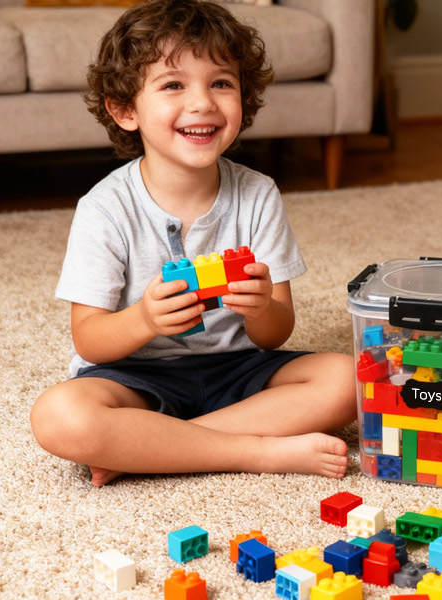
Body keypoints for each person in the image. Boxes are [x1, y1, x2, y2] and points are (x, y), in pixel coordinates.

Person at [30, 0, 357, 487]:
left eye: (221, 83)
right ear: (124, 110)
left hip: (240, 369)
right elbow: (90, 339)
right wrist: (143, 319)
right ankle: (254, 452)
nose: (203, 101)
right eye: (173, 85)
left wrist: (262, 305)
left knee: (354, 379)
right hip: (136, 378)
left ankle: (152, 448)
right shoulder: (103, 208)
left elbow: (276, 333)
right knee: (59, 416)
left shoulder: (258, 193)